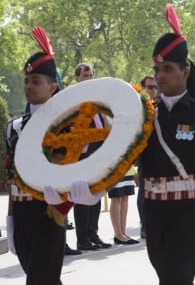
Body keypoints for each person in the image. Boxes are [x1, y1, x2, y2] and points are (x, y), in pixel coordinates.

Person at [5, 27, 104, 285]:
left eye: (36, 80)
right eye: (26, 80)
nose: (29, 85)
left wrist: (88, 194)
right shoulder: (14, 127)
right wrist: (11, 219)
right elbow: (12, 178)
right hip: (23, 214)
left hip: (49, 213)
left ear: (53, 86)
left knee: (40, 281)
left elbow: (86, 166)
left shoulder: (68, 126)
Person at [140, 4, 195, 285]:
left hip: (186, 212)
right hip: (152, 212)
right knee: (166, 277)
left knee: (177, 279)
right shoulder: (147, 115)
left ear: (185, 70)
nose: (160, 75)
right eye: (157, 69)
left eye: (168, 69)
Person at [72, 62, 112, 251]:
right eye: (85, 75)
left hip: (98, 149)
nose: (89, 79)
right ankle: (82, 238)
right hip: (81, 153)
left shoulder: (96, 99)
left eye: (91, 75)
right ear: (77, 78)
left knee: (96, 193)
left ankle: (93, 233)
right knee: (82, 196)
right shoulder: (72, 100)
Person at [137, 75, 159, 239]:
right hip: (145, 152)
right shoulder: (139, 107)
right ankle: (145, 225)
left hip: (159, 153)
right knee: (144, 191)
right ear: (143, 88)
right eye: (150, 87)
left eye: (155, 87)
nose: (153, 90)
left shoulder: (160, 105)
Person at [108, 165, 139, 245]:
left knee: (125, 199)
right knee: (116, 198)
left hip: (128, 167)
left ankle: (123, 233)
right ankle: (118, 234)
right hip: (115, 166)